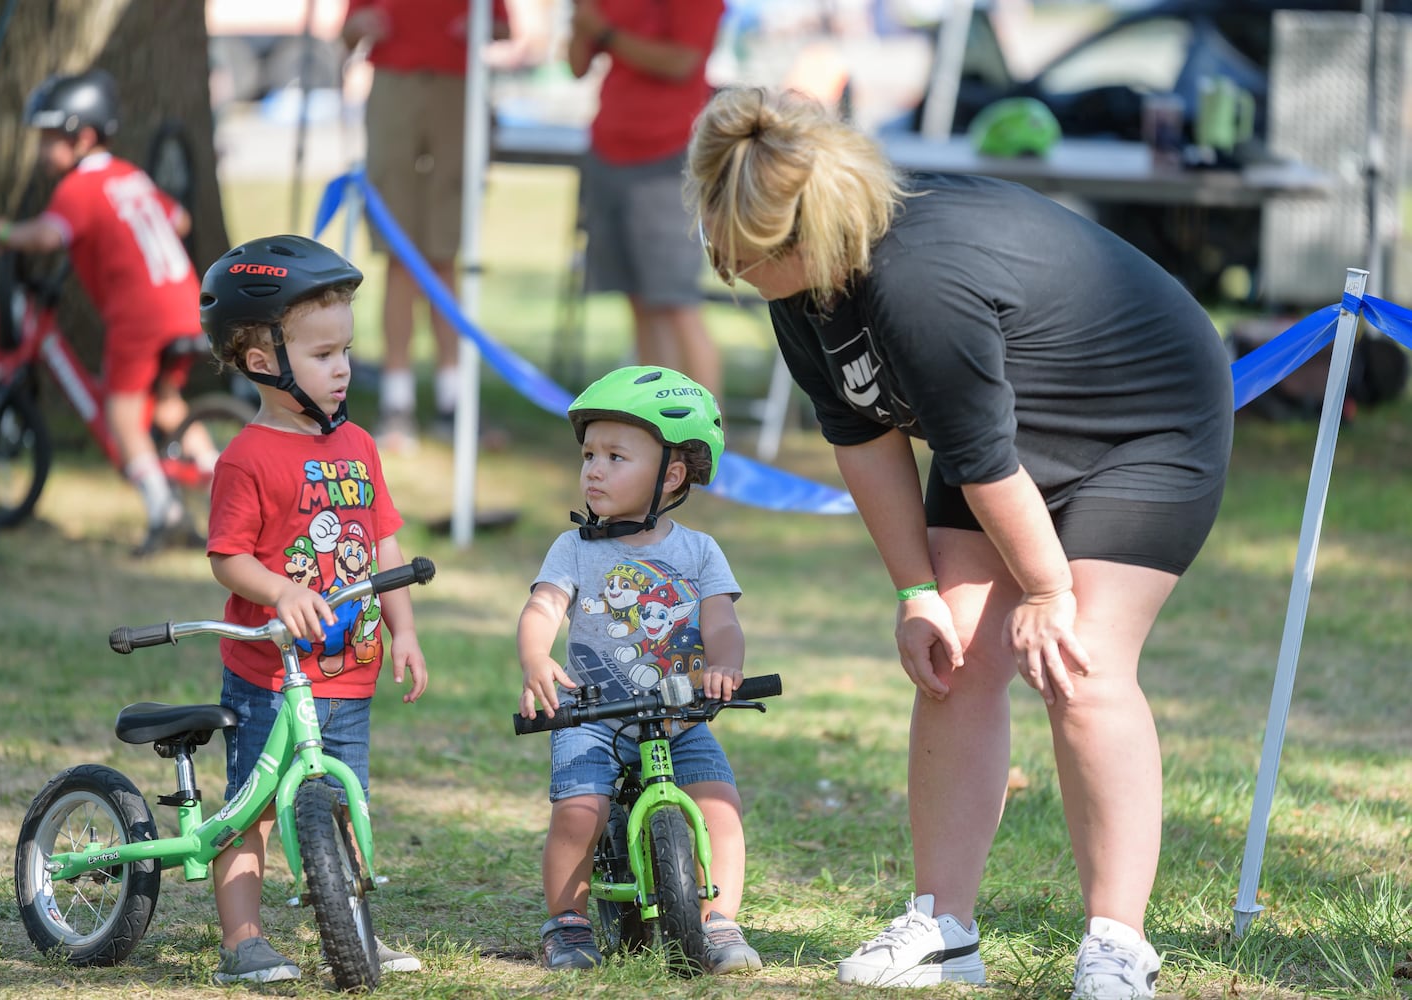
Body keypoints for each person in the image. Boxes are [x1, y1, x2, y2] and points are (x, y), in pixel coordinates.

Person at [684, 87, 1234, 999]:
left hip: (1145, 420)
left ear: (809, 237)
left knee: (1082, 663)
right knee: (954, 653)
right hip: (1008, 434)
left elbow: (978, 460)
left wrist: (1051, 594)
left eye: (744, 258)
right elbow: (861, 436)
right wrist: (915, 592)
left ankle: (1117, 942)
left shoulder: (915, 281)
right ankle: (943, 926)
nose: (729, 270)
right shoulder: (805, 288)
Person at [198, 234, 430, 984]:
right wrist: (282, 591)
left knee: (344, 798)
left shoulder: (359, 444)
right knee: (252, 808)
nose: (343, 368)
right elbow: (227, 556)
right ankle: (243, 942)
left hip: (347, 670)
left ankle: (355, 928)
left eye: (347, 351)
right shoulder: (249, 456)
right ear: (264, 360)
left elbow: (384, 540)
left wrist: (404, 631)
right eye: (324, 354)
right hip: (270, 672)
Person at [517, 365, 761, 975]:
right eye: (589, 454)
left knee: (720, 806)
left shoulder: (699, 551)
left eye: (615, 456)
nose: (593, 469)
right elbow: (543, 606)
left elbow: (722, 623)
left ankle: (720, 922)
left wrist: (725, 666)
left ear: (671, 475)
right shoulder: (574, 548)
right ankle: (568, 923)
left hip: (680, 716)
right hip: (593, 715)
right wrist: (535, 657)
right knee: (579, 811)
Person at [0, 69, 210, 555]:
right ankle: (220, 474)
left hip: (140, 314)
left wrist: (3, 233)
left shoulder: (78, 188)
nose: (42, 150)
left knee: (123, 416)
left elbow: (48, 236)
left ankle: (163, 512)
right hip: (185, 300)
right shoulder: (128, 175)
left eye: (50, 138)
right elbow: (181, 217)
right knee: (167, 404)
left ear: (82, 137)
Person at [341, 0, 509, 451]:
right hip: (395, 84)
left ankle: (451, 398)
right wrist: (362, 26)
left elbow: (502, 27)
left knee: (444, 253)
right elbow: (349, 31)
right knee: (400, 254)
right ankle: (399, 400)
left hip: (456, 85)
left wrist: (479, 27)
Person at [567, 0, 724, 399]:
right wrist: (584, 22)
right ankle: (661, 423)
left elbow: (682, 62)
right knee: (639, 302)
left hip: (667, 157)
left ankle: (709, 440)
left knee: (675, 303)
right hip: (609, 149)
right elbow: (576, 65)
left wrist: (606, 33)